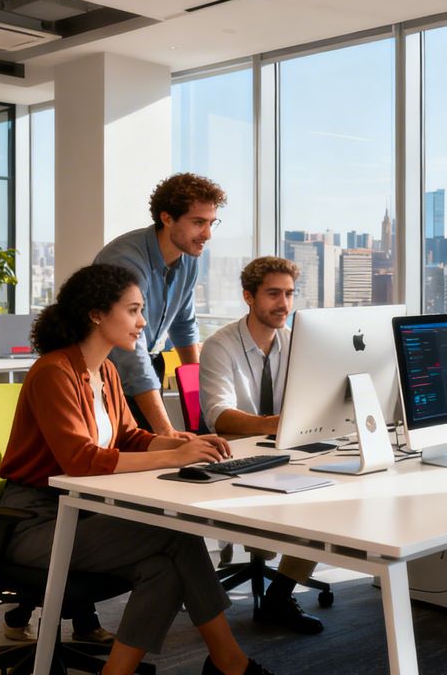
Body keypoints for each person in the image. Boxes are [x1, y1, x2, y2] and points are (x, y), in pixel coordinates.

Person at [0, 263, 273, 675]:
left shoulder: (105, 370)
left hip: (81, 514)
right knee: (176, 534)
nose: (142, 322)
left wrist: (180, 442)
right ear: (96, 314)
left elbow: (128, 436)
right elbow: (81, 460)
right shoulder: (54, 372)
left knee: (161, 570)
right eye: (132, 310)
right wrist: (174, 457)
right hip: (34, 523)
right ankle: (229, 663)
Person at [198, 256, 324, 635]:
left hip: (286, 449)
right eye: (273, 294)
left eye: (288, 294)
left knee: (327, 498)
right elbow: (219, 416)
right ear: (249, 297)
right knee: (309, 499)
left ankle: (278, 596)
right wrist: (277, 424)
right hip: (238, 454)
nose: (284, 304)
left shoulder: (297, 342)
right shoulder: (221, 346)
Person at [96, 173, 227, 438]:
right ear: (167, 218)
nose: (208, 234)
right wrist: (167, 431)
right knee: (130, 455)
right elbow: (130, 351)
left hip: (147, 363)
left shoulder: (188, 257)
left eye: (212, 223)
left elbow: (184, 324)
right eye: (199, 222)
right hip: (103, 370)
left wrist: (199, 404)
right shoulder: (126, 260)